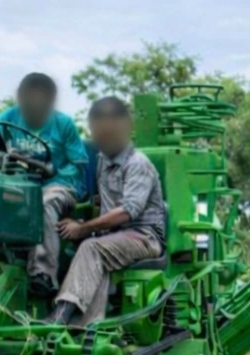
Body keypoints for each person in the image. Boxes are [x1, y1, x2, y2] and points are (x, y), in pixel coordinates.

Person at [47, 97, 167, 326]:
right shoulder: (103, 160)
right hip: (114, 236)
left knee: (92, 247)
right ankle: (86, 327)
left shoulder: (138, 164)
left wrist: (83, 228)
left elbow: (127, 212)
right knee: (89, 247)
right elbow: (100, 202)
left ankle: (61, 316)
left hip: (143, 236)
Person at [0, 73, 89, 292]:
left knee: (42, 203)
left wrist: (52, 171)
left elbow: (79, 163)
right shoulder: (7, 118)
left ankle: (43, 273)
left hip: (61, 184)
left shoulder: (63, 123)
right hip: (17, 181)